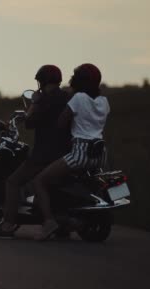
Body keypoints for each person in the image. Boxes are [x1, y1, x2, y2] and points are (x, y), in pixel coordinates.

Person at [0, 65, 71, 239]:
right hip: (66, 153)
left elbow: (30, 123)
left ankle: (8, 225)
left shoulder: (44, 100)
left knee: (13, 182)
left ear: (42, 81)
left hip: (44, 154)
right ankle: (59, 224)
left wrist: (35, 103)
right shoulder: (68, 97)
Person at [32, 63, 110, 241]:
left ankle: (49, 222)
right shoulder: (104, 101)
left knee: (40, 181)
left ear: (78, 80)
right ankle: (66, 219)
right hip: (99, 153)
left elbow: (61, 123)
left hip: (80, 153)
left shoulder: (78, 98)